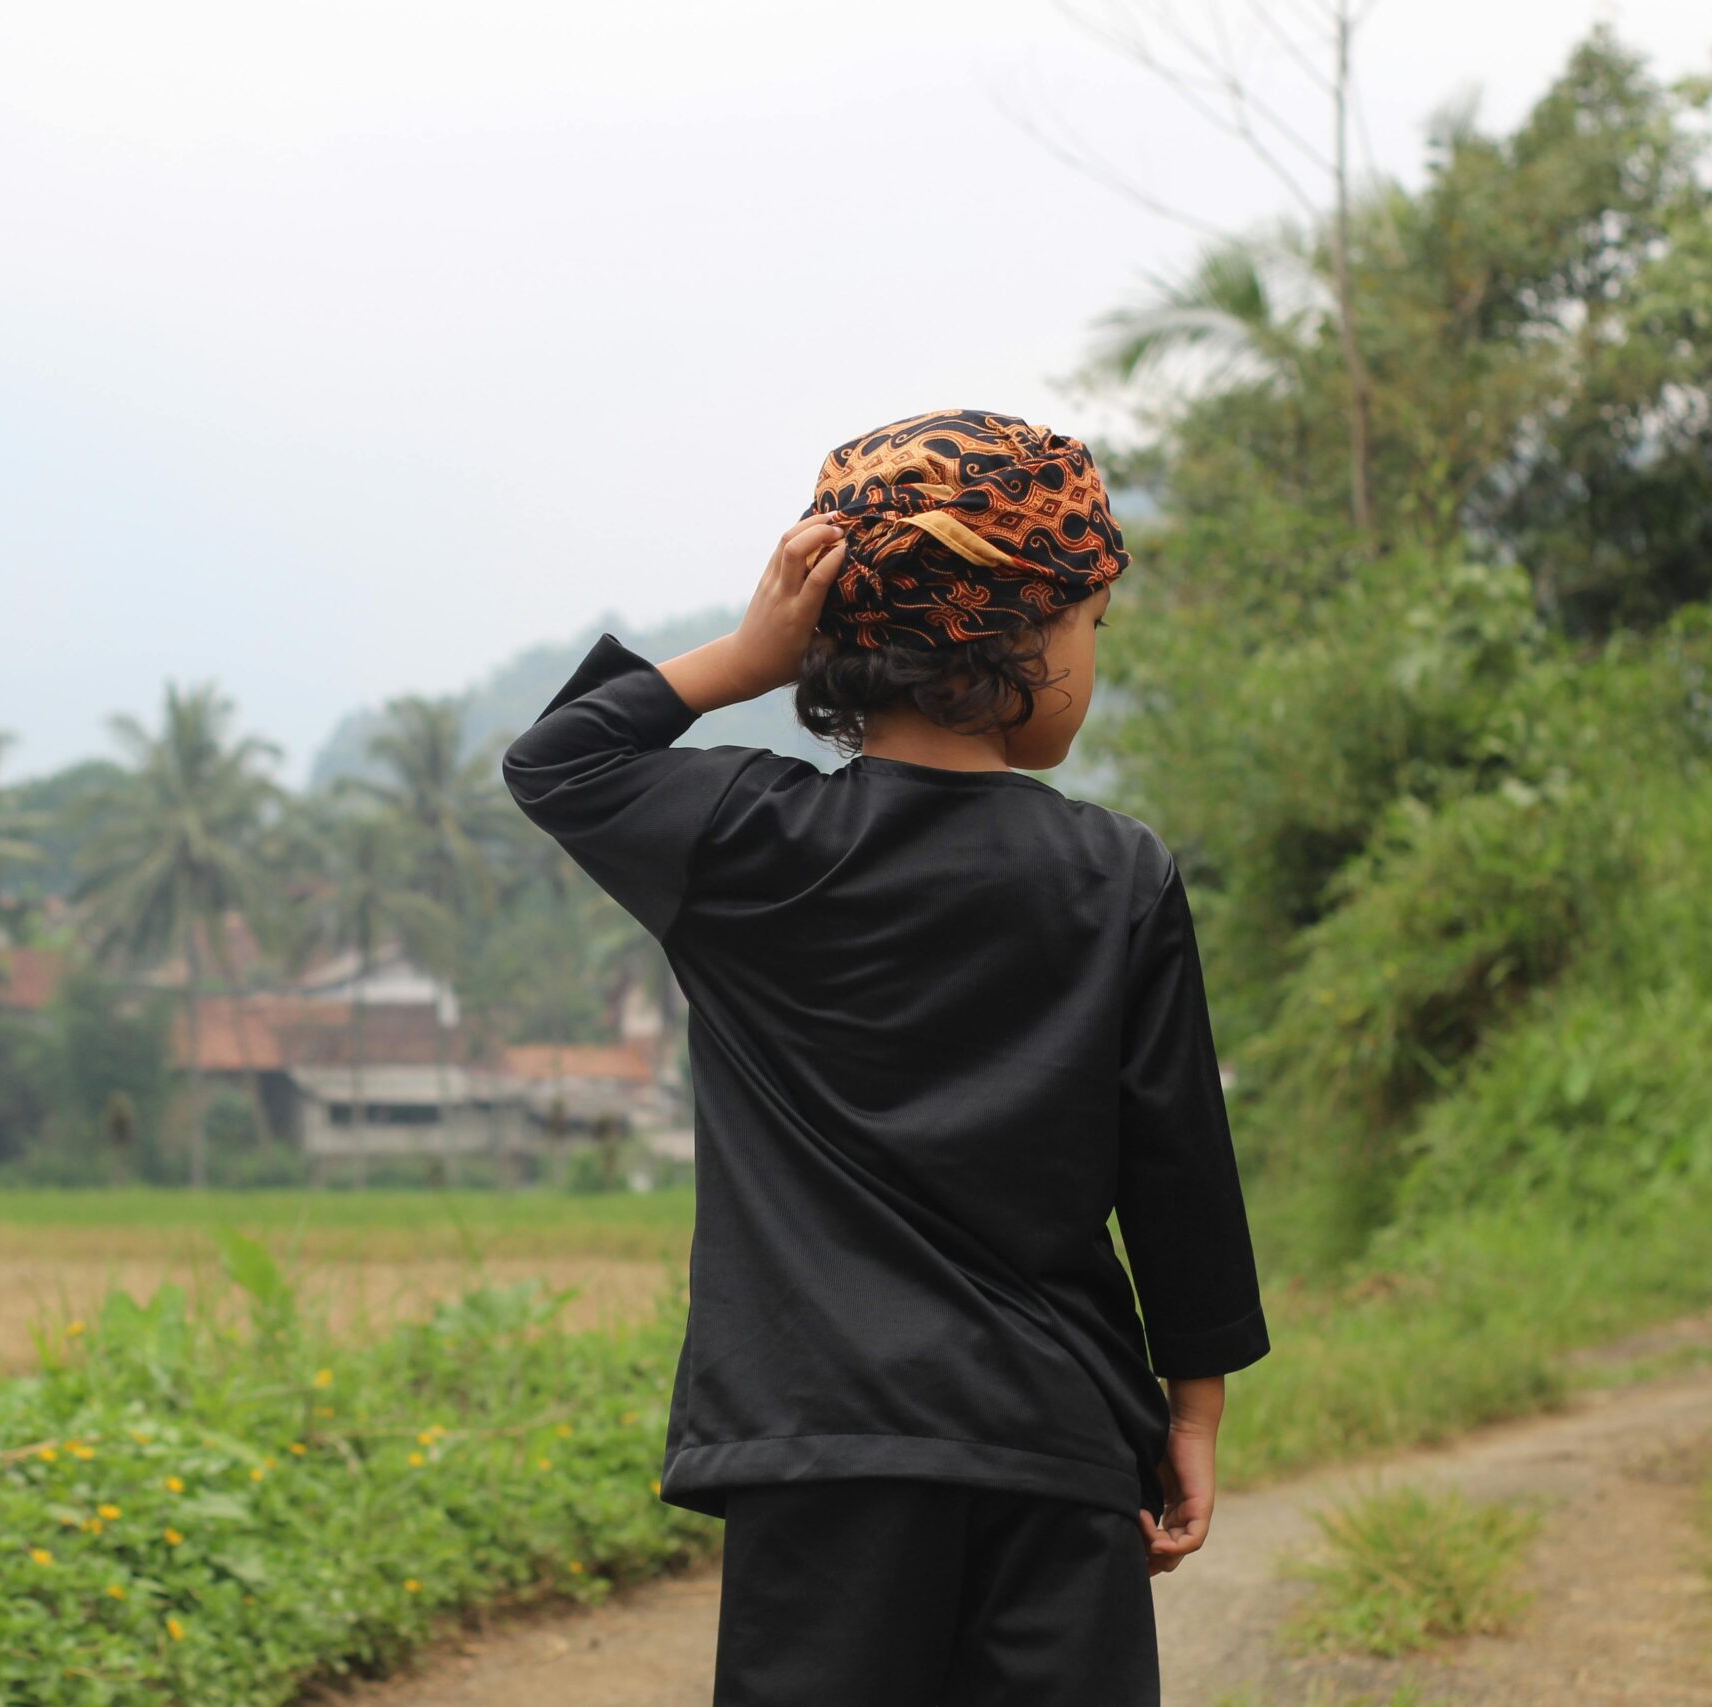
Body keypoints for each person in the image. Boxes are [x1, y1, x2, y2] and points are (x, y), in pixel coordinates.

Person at [499, 409, 1271, 1705]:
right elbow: (1177, 1161)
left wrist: (747, 659)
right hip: (1054, 1442)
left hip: (822, 1448)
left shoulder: (749, 844)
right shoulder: (1115, 874)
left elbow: (559, 761)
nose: (1091, 661)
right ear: (1020, 634)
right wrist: (1192, 1406)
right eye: (1088, 625)